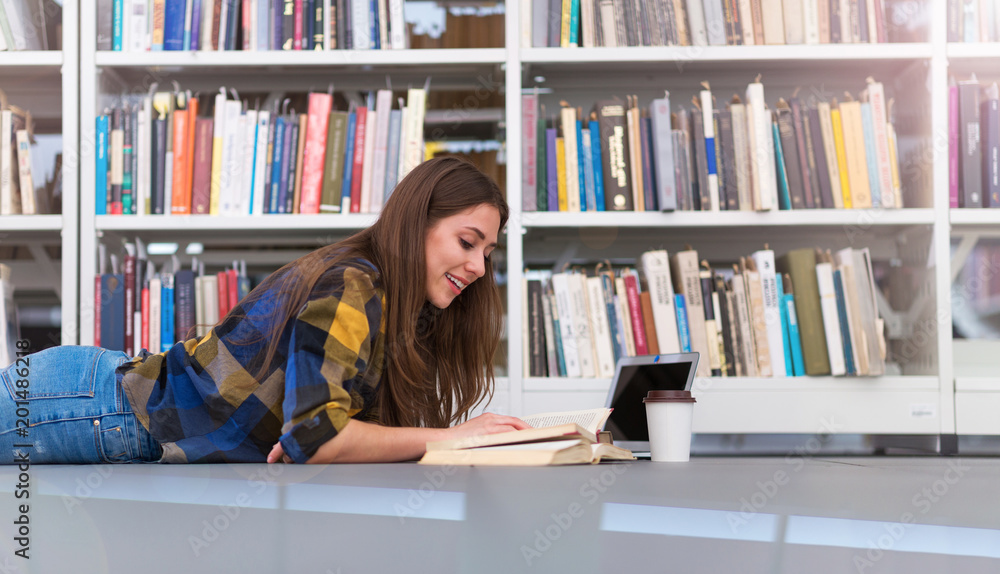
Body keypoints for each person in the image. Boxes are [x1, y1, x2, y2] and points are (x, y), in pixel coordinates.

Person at [0, 156, 530, 464]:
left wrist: (310, 438)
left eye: (487, 252)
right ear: (418, 222)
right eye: (467, 242)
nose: (480, 267)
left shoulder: (391, 309)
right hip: (92, 403)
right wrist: (451, 437)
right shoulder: (355, 283)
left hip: (108, 410)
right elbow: (318, 437)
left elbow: (310, 436)